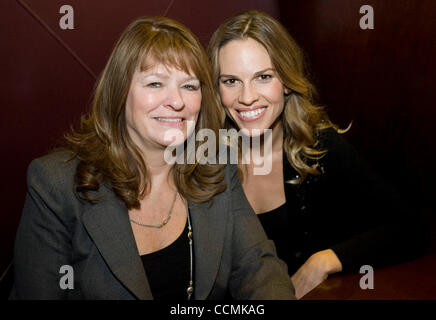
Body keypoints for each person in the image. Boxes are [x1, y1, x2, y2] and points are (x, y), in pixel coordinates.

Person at [10, 16, 295, 300]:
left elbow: (259, 267)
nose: (177, 101)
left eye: (189, 86)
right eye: (156, 84)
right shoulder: (57, 186)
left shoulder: (216, 167)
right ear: (120, 91)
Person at [207, 10, 429, 299]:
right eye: (231, 81)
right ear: (216, 89)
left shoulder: (319, 150)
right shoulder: (205, 159)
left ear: (286, 81)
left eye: (263, 77)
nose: (247, 97)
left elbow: (411, 230)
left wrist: (324, 260)